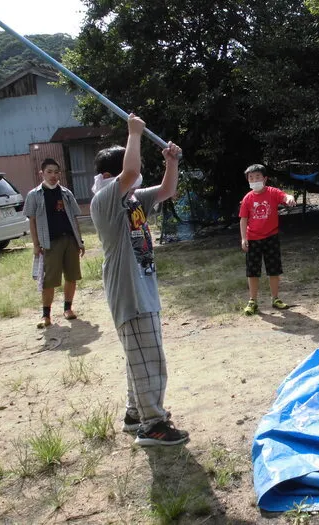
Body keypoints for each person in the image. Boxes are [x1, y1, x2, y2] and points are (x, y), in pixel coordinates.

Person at [90, 114, 189, 446]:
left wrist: (170, 162)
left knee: (140, 356)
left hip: (142, 288)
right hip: (129, 292)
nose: (135, 175)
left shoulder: (132, 200)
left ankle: (136, 413)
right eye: (124, 172)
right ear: (108, 176)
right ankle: (153, 425)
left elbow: (167, 190)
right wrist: (134, 133)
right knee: (149, 359)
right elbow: (130, 172)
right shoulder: (104, 199)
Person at [24, 158, 85, 328]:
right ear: (41, 173)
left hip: (70, 240)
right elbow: (32, 220)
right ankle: (46, 315)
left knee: (72, 276)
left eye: (56, 172)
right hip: (50, 243)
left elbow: (74, 217)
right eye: (49, 172)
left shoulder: (66, 193)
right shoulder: (34, 195)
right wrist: (36, 245)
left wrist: (79, 241)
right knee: (49, 279)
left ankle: (68, 308)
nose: (53, 175)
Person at [239, 164, 296, 315]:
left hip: (271, 237)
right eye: (251, 178)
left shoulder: (272, 192)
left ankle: (275, 298)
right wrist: (244, 238)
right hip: (253, 239)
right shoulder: (247, 198)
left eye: (257, 177)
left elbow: (285, 196)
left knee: (274, 270)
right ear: (248, 181)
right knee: (252, 271)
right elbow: (243, 219)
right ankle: (253, 301)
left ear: (265, 179)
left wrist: (289, 198)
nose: (254, 180)